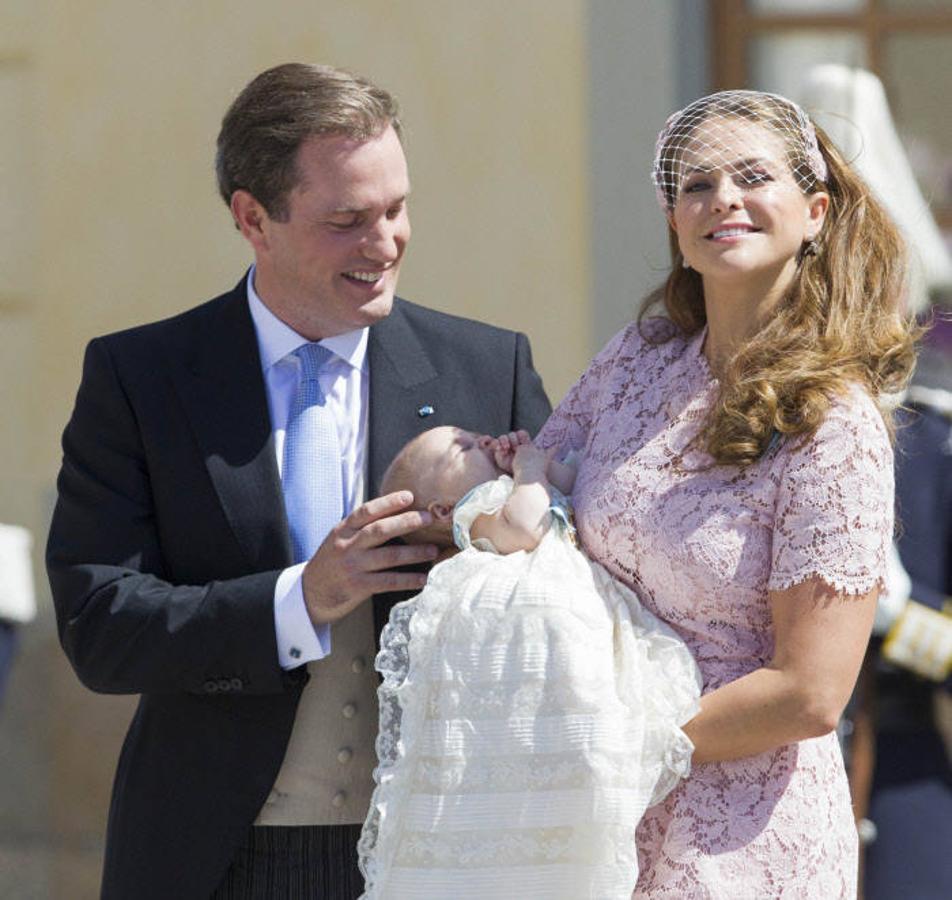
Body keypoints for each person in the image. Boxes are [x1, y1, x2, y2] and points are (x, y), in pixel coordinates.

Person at [45, 63, 550, 900]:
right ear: (253, 218)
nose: (385, 243)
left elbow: (564, 591)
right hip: (218, 857)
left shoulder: (487, 369)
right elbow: (100, 625)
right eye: (347, 220)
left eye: (396, 209)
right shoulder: (142, 376)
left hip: (444, 854)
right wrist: (299, 600)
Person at [535, 90, 918, 897]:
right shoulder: (637, 359)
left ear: (815, 212)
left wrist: (618, 742)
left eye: (752, 177)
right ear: (675, 222)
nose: (723, 201)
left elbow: (810, 694)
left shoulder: (834, 423)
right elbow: (539, 492)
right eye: (697, 185)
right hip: (593, 826)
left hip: (741, 842)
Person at [356, 426, 700, 899]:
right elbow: (525, 527)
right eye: (461, 448)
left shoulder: (519, 485)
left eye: (474, 436)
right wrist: (530, 472)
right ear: (441, 508)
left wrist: (539, 463)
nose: (479, 440)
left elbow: (579, 481)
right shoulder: (479, 512)